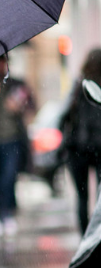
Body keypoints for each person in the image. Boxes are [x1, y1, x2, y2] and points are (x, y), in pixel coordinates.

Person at [0, 55, 35, 236]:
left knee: (9, 176)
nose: (0, 65)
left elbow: (32, 106)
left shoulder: (16, 84)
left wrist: (20, 106)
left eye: (3, 62)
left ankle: (7, 212)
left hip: (13, 140)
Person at [60, 48, 101, 235]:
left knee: (82, 197)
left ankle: (85, 236)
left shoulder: (79, 86)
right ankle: (97, 236)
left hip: (78, 151)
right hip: (99, 149)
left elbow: (64, 117)